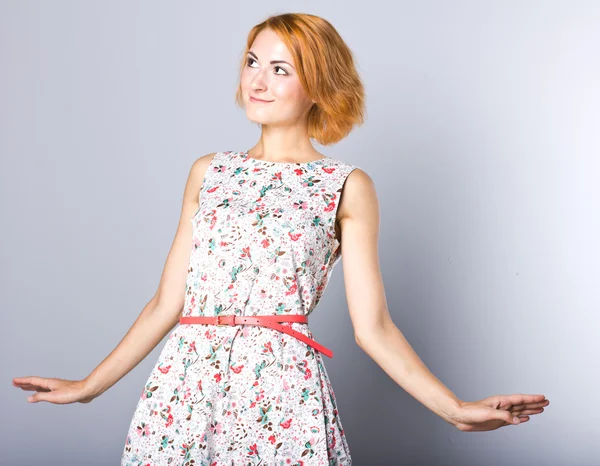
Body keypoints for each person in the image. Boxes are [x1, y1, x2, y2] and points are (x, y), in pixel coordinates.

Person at [12, 12, 549, 465]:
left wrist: (455, 409)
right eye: (251, 62)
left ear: (316, 86)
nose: (257, 81)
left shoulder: (346, 186)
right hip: (184, 387)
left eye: (279, 70)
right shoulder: (209, 172)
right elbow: (166, 303)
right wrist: (89, 387)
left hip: (282, 390)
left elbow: (374, 328)